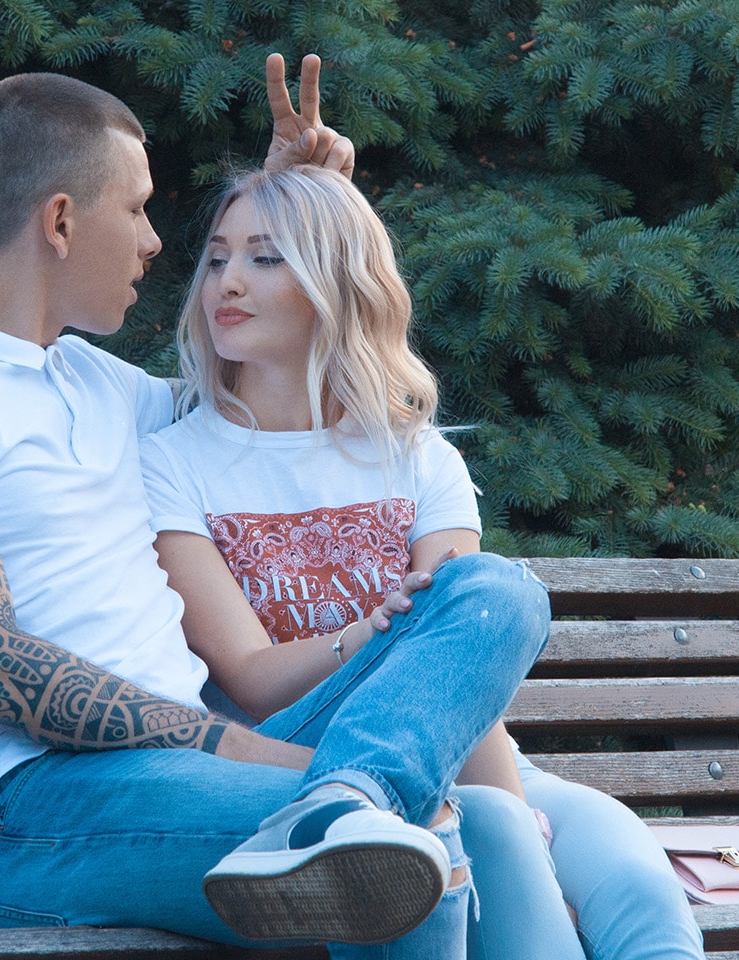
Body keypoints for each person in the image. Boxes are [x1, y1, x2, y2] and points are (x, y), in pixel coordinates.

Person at [0, 57, 552, 956]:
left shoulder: (99, 385)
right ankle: (354, 800)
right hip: (38, 810)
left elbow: (273, 381)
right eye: (137, 208)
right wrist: (229, 749)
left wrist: (294, 210)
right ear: (60, 221)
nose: (159, 242)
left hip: (196, 769)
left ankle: (350, 793)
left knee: (492, 592)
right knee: (402, 841)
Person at [137, 164, 708, 960]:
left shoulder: (416, 457)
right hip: (295, 765)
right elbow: (251, 678)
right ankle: (378, 807)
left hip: (449, 753)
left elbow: (466, 657)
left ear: (336, 283)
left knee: (640, 891)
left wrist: (506, 804)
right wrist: (372, 636)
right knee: (501, 829)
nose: (227, 281)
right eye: (217, 258)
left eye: (265, 258)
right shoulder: (174, 464)